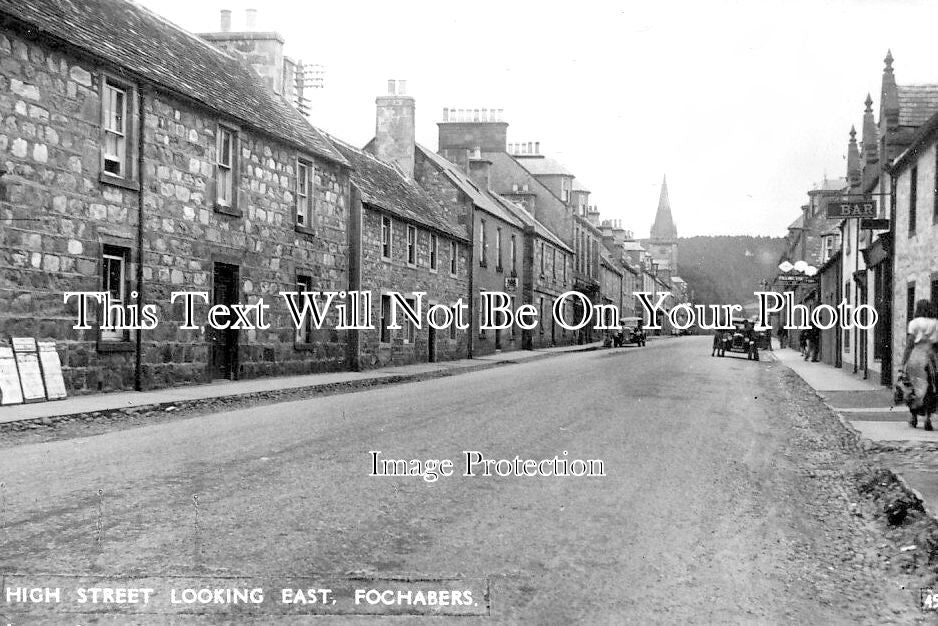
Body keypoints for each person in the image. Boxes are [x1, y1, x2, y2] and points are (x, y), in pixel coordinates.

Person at [899, 300, 938, 430]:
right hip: (931, 357)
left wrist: (903, 364)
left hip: (916, 357)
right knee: (932, 388)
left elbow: (910, 345)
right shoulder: (935, 323)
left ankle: (914, 417)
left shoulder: (914, 323)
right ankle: (928, 417)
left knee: (913, 387)